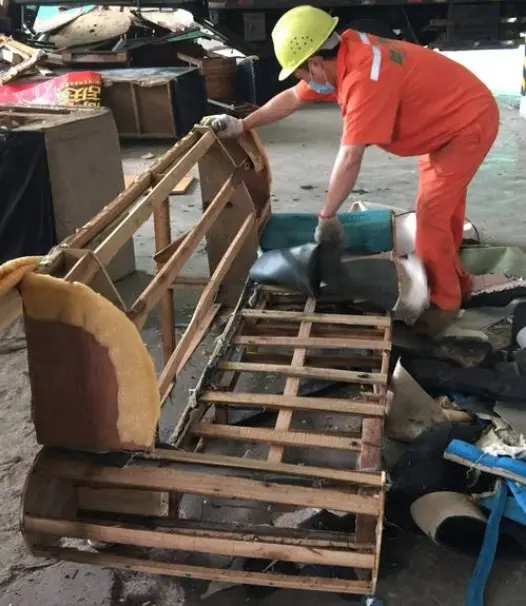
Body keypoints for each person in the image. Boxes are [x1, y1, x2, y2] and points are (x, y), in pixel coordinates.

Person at [211, 5, 499, 331]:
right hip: (449, 119)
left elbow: (350, 158)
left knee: (432, 217)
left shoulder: (364, 80)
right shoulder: (344, 51)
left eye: (301, 73)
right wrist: (243, 124)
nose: (302, 81)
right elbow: (292, 98)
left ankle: (444, 305)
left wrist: (327, 216)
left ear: (315, 64)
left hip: (465, 125)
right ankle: (455, 278)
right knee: (444, 210)